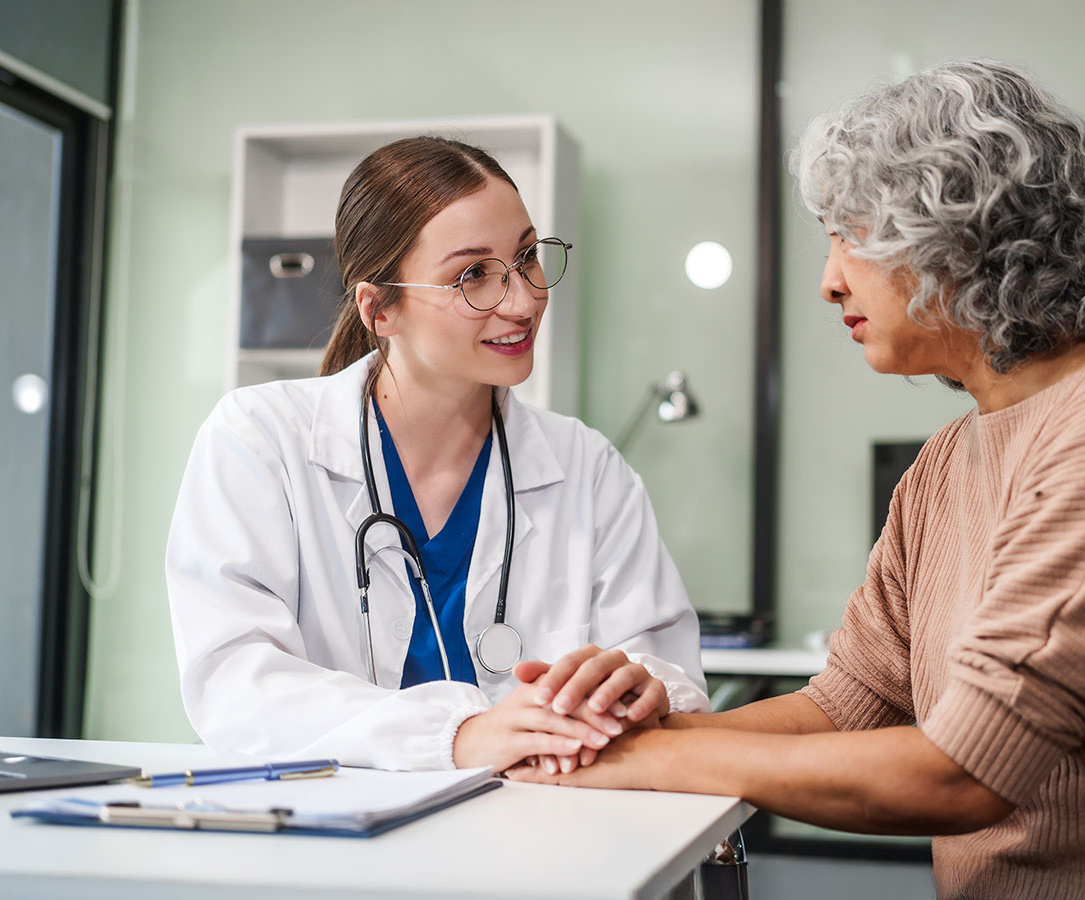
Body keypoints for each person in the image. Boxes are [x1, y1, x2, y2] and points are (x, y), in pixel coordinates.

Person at [510, 60, 1085, 899]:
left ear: (960, 235)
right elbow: (848, 702)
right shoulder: (945, 462)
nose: (829, 280)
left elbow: (963, 772)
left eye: (851, 237)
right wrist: (643, 729)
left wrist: (644, 757)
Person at [166, 136, 709, 774]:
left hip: (538, 846)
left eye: (527, 257)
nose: (523, 299)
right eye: (471, 274)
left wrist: (642, 689)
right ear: (378, 309)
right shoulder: (261, 441)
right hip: (329, 848)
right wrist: (458, 735)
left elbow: (664, 667)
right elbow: (234, 685)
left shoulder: (588, 469)